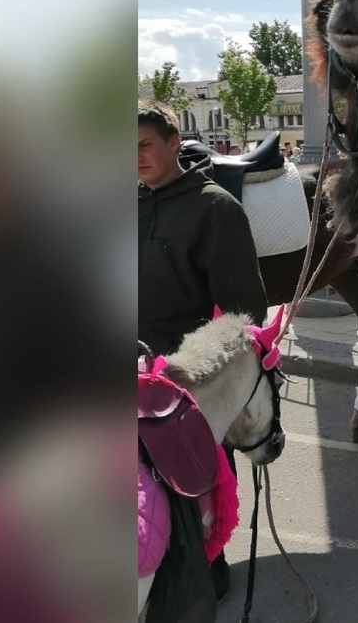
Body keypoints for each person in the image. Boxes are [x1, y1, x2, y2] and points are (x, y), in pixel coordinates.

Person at [138, 100, 268, 603]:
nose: (134, 158)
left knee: (199, 481)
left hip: (190, 382)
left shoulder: (215, 210)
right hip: (133, 366)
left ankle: (206, 568)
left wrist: (204, 373)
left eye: (145, 145)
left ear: (174, 143)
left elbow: (244, 314)